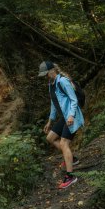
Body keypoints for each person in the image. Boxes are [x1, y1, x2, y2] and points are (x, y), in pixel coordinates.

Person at [38, 60, 84, 189]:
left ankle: (70, 177)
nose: (45, 77)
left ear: (52, 71)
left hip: (72, 116)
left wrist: (70, 115)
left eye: (46, 74)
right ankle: (72, 159)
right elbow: (53, 103)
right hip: (64, 117)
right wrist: (49, 121)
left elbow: (73, 99)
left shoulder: (62, 81)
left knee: (64, 143)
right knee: (50, 138)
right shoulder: (51, 84)